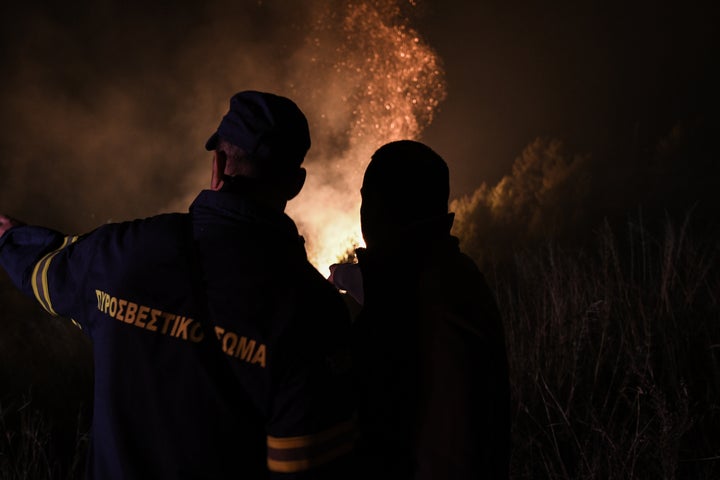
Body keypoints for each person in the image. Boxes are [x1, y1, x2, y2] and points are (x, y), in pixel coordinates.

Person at [0, 90, 356, 479]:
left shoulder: (121, 252)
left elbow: (45, 273)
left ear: (218, 164)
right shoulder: (314, 312)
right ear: (296, 184)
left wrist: (9, 239)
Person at [329, 140, 512, 479]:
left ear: (380, 209)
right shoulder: (452, 273)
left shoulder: (419, 291)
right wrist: (343, 275)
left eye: (366, 198)